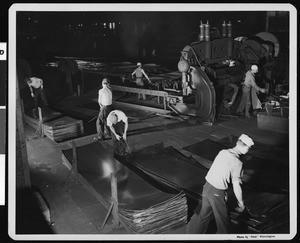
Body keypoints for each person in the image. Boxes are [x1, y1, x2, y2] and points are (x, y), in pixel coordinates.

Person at [195, 134, 254, 234]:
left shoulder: (223, 152)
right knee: (223, 222)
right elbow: (236, 186)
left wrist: (224, 191)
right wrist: (241, 203)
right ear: (244, 147)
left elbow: (219, 172)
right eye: (249, 148)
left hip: (206, 187)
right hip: (217, 193)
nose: (249, 151)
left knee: (203, 218)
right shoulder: (237, 162)